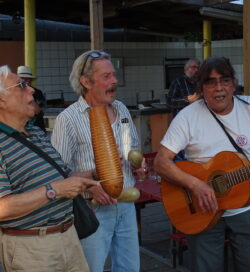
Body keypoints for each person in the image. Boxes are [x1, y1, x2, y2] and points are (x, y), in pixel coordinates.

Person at [154, 56, 250, 272]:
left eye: (224, 80)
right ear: (201, 88)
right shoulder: (187, 117)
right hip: (202, 210)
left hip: (246, 207)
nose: (219, 88)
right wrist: (195, 185)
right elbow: (161, 162)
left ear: (233, 84)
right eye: (210, 82)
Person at [51, 50, 143, 272]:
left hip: (127, 205)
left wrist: (138, 164)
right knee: (91, 268)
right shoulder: (69, 119)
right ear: (86, 81)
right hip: (92, 209)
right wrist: (91, 186)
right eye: (106, 76)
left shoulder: (121, 109)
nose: (114, 81)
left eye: (114, 75)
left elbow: (134, 148)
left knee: (130, 268)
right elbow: (57, 174)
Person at [0, 65, 98, 271]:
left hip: (69, 237)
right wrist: (55, 191)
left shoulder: (35, 133)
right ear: (1, 100)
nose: (32, 90)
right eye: (22, 85)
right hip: (32, 249)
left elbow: (64, 178)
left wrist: (99, 171)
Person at [17, 65, 47, 132]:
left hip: (37, 130)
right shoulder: (12, 93)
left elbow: (38, 110)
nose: (25, 81)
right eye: (22, 78)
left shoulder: (37, 93)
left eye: (27, 78)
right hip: (18, 130)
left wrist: (27, 92)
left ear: (30, 80)